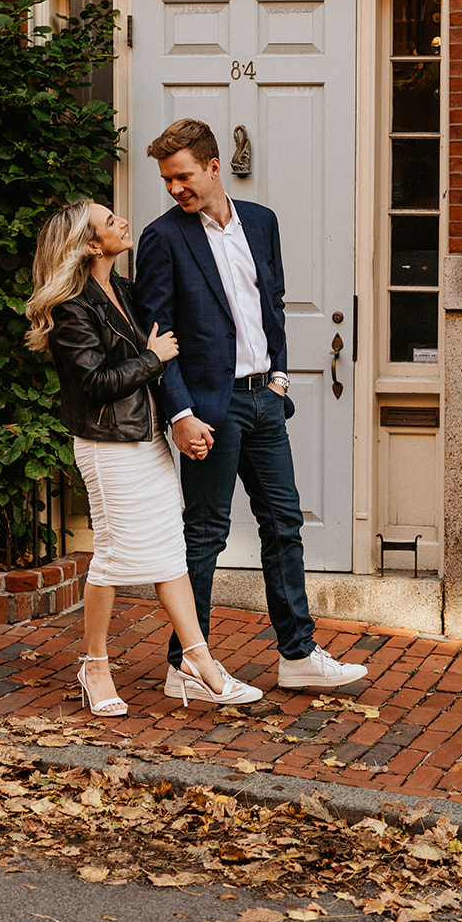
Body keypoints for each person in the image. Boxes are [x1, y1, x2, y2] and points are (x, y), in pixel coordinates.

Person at [135, 119, 367, 694]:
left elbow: (274, 302)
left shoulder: (261, 223)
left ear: (214, 167)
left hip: (265, 399)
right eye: (167, 179)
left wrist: (281, 376)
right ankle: (187, 664)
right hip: (209, 409)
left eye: (183, 176)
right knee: (206, 533)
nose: (174, 189)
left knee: (284, 527)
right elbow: (156, 336)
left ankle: (298, 655)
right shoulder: (162, 238)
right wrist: (180, 413)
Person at [25, 198, 262, 714]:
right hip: (108, 445)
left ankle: (198, 661)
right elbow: (94, 384)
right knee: (112, 555)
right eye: (110, 221)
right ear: (90, 245)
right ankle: (95, 664)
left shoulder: (124, 292)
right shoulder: (72, 305)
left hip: (146, 439)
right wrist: (154, 358)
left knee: (169, 550)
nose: (122, 221)